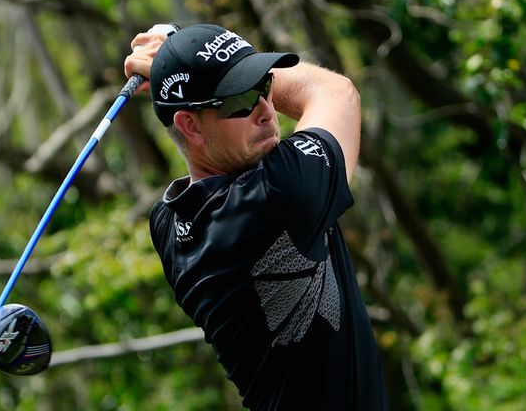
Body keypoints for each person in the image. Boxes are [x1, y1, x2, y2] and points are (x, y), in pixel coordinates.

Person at [124, 23, 388, 410]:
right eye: (240, 100)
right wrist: (173, 62)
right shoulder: (281, 193)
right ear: (189, 126)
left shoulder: (168, 220)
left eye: (264, 86)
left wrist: (181, 67)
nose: (266, 110)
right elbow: (334, 92)